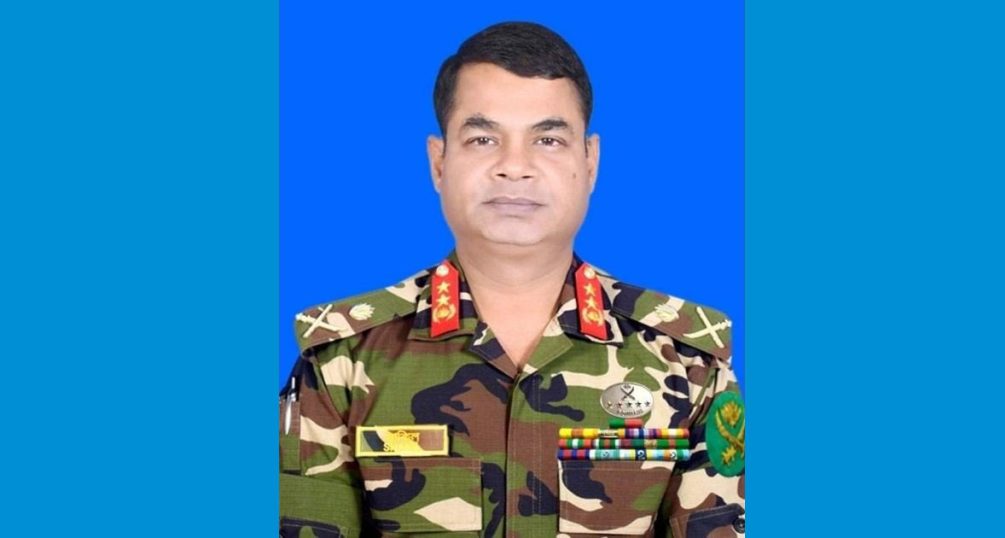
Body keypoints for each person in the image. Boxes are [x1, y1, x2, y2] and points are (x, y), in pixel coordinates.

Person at [279, 21, 744, 537]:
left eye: (548, 139)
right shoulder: (342, 362)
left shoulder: (687, 363)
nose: (515, 167)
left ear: (590, 162)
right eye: (483, 138)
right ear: (439, 163)